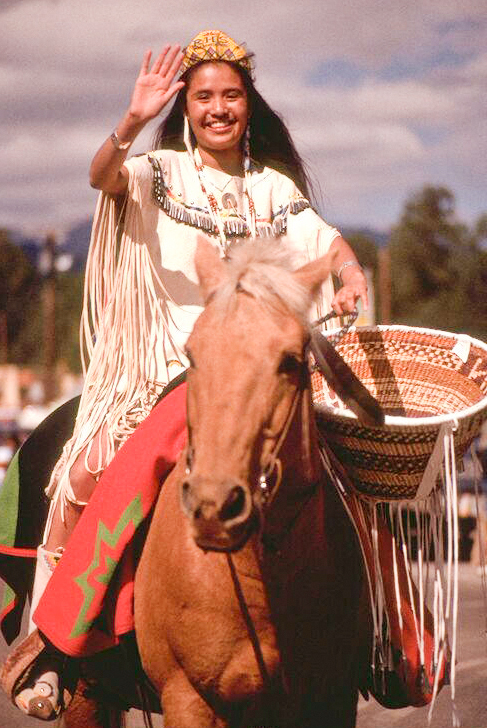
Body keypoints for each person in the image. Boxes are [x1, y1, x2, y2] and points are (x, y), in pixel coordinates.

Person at [5, 29, 368, 719]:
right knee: (83, 473)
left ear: (248, 107)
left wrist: (350, 275)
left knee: (360, 471)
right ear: (188, 108)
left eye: (230, 95)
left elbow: (328, 242)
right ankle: (54, 641)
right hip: (165, 370)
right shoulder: (158, 171)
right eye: (203, 96)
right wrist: (133, 122)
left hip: (262, 371)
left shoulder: (273, 187)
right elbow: (102, 177)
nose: (217, 108)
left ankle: (384, 638)